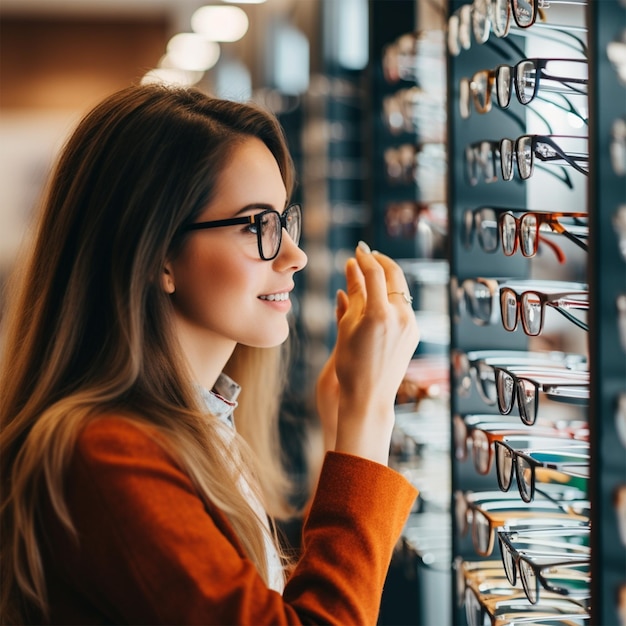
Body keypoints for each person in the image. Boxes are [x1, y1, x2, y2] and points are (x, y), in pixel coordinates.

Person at [0, 83, 420, 625]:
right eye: (254, 225)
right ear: (157, 255)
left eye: (282, 220)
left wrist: (344, 430)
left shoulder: (190, 428)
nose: (295, 255)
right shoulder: (106, 453)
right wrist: (368, 419)